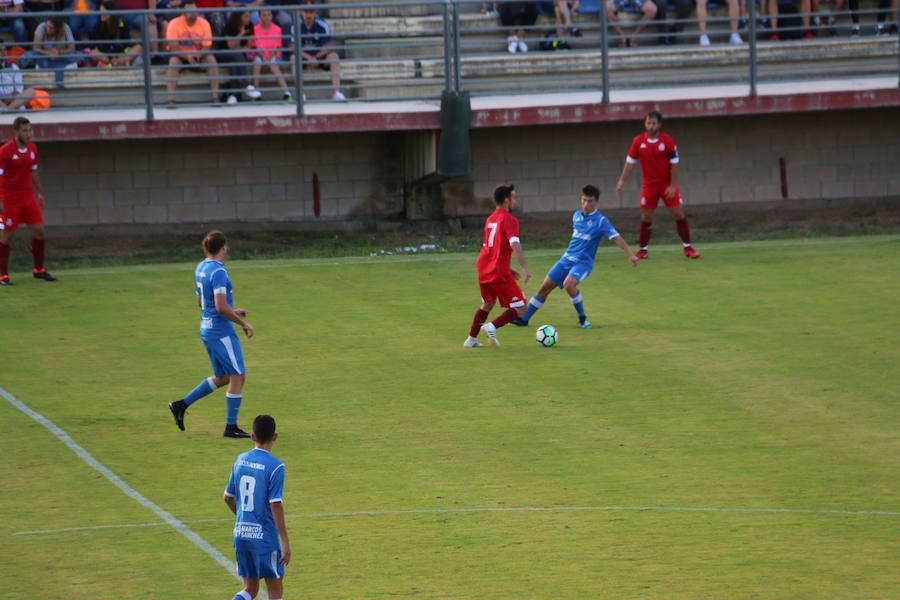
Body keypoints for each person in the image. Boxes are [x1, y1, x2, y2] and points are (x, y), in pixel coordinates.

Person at [512, 185, 638, 329]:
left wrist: (630, 255)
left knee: (569, 284)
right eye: (584, 200)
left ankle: (583, 318)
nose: (586, 204)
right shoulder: (576, 215)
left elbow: (616, 238)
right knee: (543, 289)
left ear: (596, 202)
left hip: (583, 263)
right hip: (565, 260)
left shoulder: (601, 221)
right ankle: (525, 319)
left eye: (590, 201)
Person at [168, 230, 254, 438]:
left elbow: (201, 302)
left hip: (207, 328)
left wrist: (233, 311)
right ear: (223, 248)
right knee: (238, 375)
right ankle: (230, 427)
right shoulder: (219, 272)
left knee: (224, 377)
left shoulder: (201, 267)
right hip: (220, 331)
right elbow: (220, 306)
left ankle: (181, 404)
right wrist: (243, 323)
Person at [615, 111, 701, 259]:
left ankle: (688, 248)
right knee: (646, 217)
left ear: (659, 125)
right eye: (648, 123)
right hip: (649, 186)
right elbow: (630, 162)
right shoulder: (638, 141)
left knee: (679, 214)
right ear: (645, 124)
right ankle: (643, 250)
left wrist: (673, 185)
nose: (651, 126)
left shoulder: (668, 141)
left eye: (654, 123)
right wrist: (622, 180)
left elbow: (674, 164)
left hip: (666, 185)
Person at [223, 414, 291, 600]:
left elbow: (228, 497)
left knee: (249, 589)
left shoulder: (240, 460)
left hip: (241, 532)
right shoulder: (276, 467)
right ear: (275, 437)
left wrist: (245, 517)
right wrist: (284, 540)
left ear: (252, 436)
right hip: (265, 538)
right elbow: (275, 504)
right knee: (275, 593)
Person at [463, 183, 531, 348]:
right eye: (513, 197)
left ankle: (471, 340)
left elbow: (492, 248)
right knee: (522, 307)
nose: (514, 200)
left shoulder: (491, 219)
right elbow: (515, 244)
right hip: (497, 271)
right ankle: (491, 326)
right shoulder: (510, 220)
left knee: (488, 303)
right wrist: (524, 268)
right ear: (507, 200)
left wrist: (508, 268)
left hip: (484, 268)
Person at [0, 117, 56, 285]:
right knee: (6, 236)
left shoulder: (33, 148)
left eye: (30, 130)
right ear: (16, 132)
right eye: (25, 131)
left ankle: (38, 270)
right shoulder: (5, 151)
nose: (28, 134)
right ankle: (3, 275)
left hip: (28, 197)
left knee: (39, 231)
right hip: (9, 199)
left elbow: (33, 172)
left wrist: (40, 192)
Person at [164, 0, 220, 105]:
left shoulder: (204, 23)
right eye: (190, 11)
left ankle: (215, 97)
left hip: (199, 56)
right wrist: (187, 56)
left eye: (194, 10)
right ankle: (171, 98)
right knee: (173, 61)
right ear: (183, 12)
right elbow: (173, 48)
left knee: (211, 59)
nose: (193, 13)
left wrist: (198, 55)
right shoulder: (174, 23)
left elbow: (207, 47)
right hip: (181, 56)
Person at [292, 1, 346, 101]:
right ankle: (300, 94)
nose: (308, 15)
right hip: (304, 58)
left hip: (320, 57)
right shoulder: (296, 25)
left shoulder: (322, 24)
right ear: (301, 12)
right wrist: (308, 58)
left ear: (315, 12)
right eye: (306, 12)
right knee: (293, 58)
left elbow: (329, 46)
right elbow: (293, 47)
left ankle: (336, 93)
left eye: (311, 12)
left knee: (334, 56)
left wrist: (316, 57)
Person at [21, 16, 79, 87]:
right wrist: (49, 53)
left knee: (75, 56)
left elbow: (72, 48)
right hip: (45, 57)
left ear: (57, 28)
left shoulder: (65, 27)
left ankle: (59, 82)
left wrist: (59, 52)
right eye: (47, 26)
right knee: (30, 54)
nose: (48, 29)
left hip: (61, 57)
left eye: (51, 28)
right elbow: (35, 48)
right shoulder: (41, 27)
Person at [89, 0, 145, 67]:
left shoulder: (121, 24)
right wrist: (110, 58)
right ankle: (115, 63)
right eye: (100, 11)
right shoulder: (98, 26)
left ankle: (122, 62)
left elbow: (126, 43)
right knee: (93, 53)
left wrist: (119, 57)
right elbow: (96, 45)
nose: (101, 13)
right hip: (106, 56)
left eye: (103, 11)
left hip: (121, 54)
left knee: (139, 47)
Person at [250, 8, 290, 101]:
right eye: (264, 15)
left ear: (272, 16)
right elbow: (257, 46)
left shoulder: (277, 29)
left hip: (274, 55)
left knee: (273, 64)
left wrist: (269, 58)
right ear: (259, 17)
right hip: (260, 56)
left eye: (269, 15)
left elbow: (276, 47)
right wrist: (264, 57)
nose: (267, 17)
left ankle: (287, 93)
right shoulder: (255, 29)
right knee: (257, 63)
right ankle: (256, 94)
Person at [219, 10, 254, 103]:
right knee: (236, 56)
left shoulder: (250, 25)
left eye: (249, 16)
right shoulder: (229, 25)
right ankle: (246, 83)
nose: (248, 19)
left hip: (237, 56)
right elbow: (230, 46)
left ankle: (234, 96)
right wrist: (241, 34)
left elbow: (248, 47)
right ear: (239, 18)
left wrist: (238, 49)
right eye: (246, 17)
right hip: (222, 53)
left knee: (234, 63)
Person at [0, 45, 38, 110]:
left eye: (5, 50)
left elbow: (19, 89)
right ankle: (12, 108)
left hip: (13, 100)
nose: (3, 52)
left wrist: (9, 98)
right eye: (0, 50)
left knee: (31, 91)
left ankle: (8, 109)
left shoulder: (14, 67)